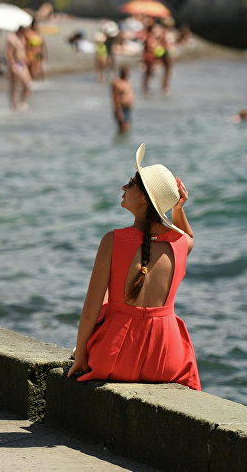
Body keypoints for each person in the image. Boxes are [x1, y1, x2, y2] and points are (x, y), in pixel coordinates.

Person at [67, 143, 200, 391]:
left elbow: (89, 310)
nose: (124, 187)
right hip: (165, 360)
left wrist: (82, 356)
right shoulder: (180, 244)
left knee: (107, 298)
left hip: (115, 358)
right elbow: (188, 237)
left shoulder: (113, 240)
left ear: (144, 198)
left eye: (130, 183)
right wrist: (178, 209)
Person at [6, 26, 31, 111]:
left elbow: (23, 50)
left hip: (23, 64)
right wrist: (13, 65)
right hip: (16, 64)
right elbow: (9, 53)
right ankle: (14, 106)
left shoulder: (22, 37)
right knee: (14, 86)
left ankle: (21, 102)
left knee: (27, 85)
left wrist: (26, 58)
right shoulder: (12, 38)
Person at [112, 65, 134, 134]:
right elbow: (115, 98)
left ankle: (124, 143)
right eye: (126, 71)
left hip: (128, 108)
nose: (128, 73)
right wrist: (119, 112)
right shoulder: (117, 83)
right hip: (121, 109)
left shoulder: (127, 81)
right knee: (123, 129)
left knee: (127, 129)